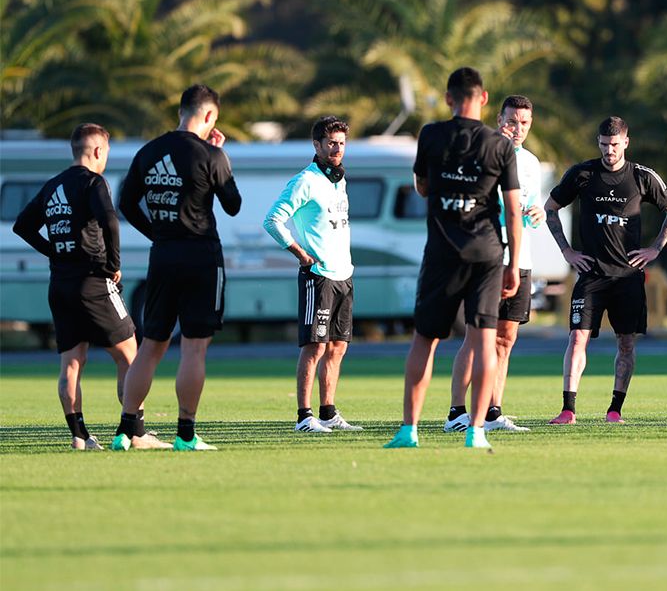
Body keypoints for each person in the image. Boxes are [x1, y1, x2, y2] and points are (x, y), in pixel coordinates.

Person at [384, 67, 522, 449]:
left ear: (448, 98)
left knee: (424, 339)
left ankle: (409, 431)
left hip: (443, 253)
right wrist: (513, 264)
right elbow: (513, 210)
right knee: (484, 341)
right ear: (485, 98)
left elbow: (422, 186)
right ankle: (476, 432)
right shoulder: (500, 145)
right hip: (487, 254)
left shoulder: (431, 135)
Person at [12, 124, 170, 450]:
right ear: (98, 151)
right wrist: (113, 264)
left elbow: (22, 226)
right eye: (106, 152)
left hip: (60, 285)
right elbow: (110, 220)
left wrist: (53, 251)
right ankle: (136, 432)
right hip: (93, 281)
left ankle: (80, 436)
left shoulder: (53, 185)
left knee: (71, 363)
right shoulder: (93, 182)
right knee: (130, 356)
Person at [111, 84, 242, 451]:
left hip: (163, 256)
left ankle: (126, 430)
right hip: (201, 257)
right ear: (210, 115)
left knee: (151, 345)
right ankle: (185, 435)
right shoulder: (210, 154)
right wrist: (220, 156)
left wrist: (158, 232)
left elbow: (127, 204)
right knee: (194, 348)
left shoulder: (149, 151)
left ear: (181, 111)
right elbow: (233, 205)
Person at [543, 116, 667, 425]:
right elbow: (550, 208)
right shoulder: (582, 174)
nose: (609, 151)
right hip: (591, 274)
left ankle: (614, 410)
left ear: (626, 142)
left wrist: (655, 248)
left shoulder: (642, 176)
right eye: (604, 145)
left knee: (626, 343)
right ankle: (568, 409)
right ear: (598, 142)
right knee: (577, 338)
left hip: (627, 277)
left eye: (615, 145)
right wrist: (566, 251)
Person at [444, 95, 545, 434]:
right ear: (499, 119)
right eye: (512, 121)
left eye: (524, 123)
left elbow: (529, 208)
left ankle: (492, 412)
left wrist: (537, 213)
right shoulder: (480, 154)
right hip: (487, 259)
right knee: (476, 338)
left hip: (520, 258)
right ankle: (456, 413)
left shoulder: (530, 163)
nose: (518, 128)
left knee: (505, 339)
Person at [264, 115, 362, 433]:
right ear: (317, 145)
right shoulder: (305, 180)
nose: (337, 149)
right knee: (315, 346)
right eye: (331, 143)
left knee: (338, 347)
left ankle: (328, 413)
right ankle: (304, 417)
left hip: (343, 274)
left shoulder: (339, 180)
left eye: (341, 143)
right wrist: (300, 253)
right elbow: (272, 220)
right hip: (318, 276)